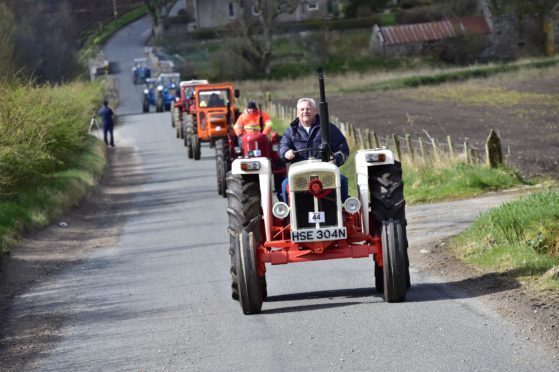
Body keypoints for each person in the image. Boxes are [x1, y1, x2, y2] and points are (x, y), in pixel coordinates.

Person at [279, 97, 349, 203]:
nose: (305, 112)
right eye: (302, 109)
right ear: (297, 113)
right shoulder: (291, 131)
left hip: (324, 173)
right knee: (285, 185)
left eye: (308, 109)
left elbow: (343, 148)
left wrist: (334, 159)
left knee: (342, 181)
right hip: (300, 174)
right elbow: (283, 146)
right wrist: (286, 152)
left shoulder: (328, 128)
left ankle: (345, 212)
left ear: (315, 111)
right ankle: (287, 215)